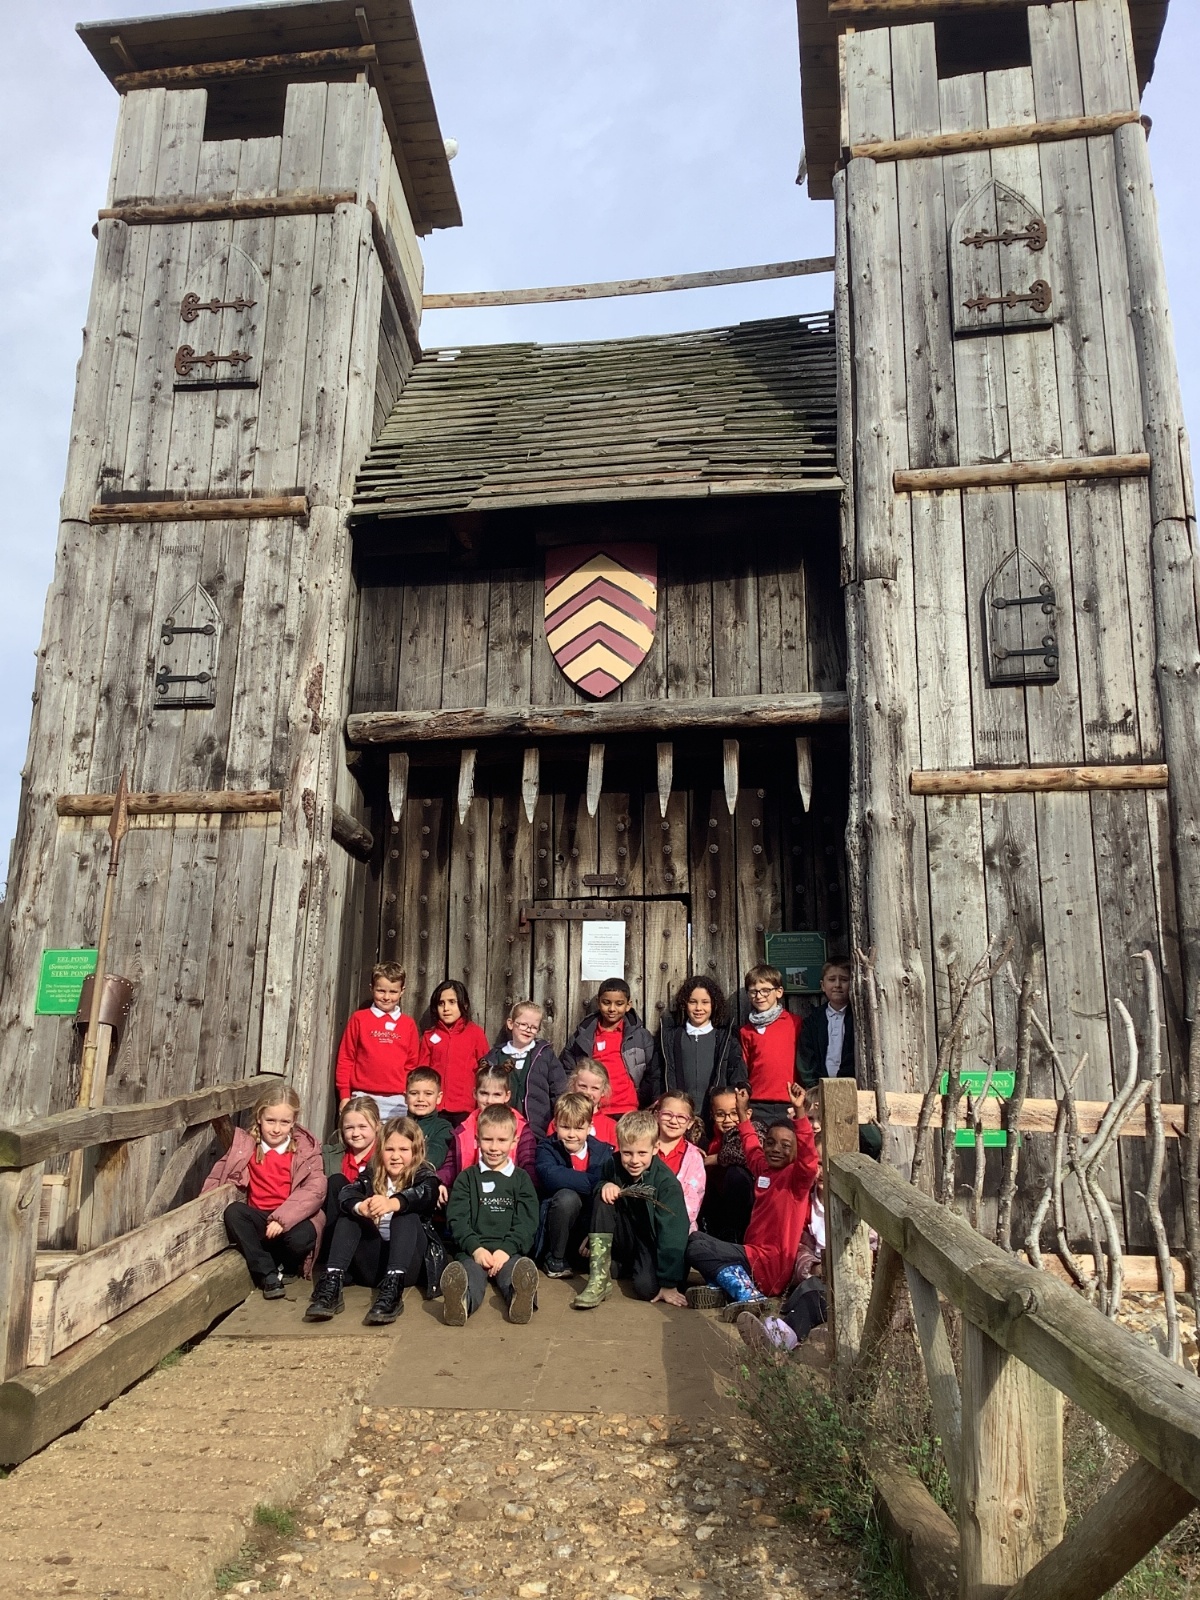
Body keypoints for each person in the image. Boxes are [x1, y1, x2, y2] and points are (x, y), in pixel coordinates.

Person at [685, 1085, 819, 1309]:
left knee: (695, 1248)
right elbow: (750, 1144)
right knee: (696, 1239)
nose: (776, 1149)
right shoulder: (764, 1169)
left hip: (770, 1266)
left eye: (786, 1146)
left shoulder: (796, 1179)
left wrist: (799, 1112)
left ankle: (748, 1294)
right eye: (770, 1143)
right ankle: (726, 1287)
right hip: (751, 1256)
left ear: (796, 1151)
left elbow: (809, 1160)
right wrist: (741, 1109)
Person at [304, 1117, 441, 1326]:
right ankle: (332, 1283)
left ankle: (392, 1293)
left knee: (405, 1214)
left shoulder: (424, 1176)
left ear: (416, 1151)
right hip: (373, 1263)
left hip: (407, 1266)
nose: (395, 1156)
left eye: (403, 1150)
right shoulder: (372, 1174)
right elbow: (347, 1193)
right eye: (389, 1149)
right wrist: (362, 1207)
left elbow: (426, 1194)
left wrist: (393, 1203)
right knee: (352, 1214)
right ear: (380, 1150)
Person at [202, 1084, 326, 1299]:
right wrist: (203, 1208)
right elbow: (218, 1177)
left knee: (303, 1236)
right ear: (259, 1117)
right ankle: (267, 1274)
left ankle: (287, 1264)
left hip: (291, 1219)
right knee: (234, 1212)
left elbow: (315, 1190)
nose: (277, 1129)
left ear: (293, 1121)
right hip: (260, 1220)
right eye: (271, 1121)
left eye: (284, 1122)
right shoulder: (245, 1147)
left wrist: (282, 1219)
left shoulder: (306, 1150)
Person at [571, 1110, 689, 1310]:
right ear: (619, 1147)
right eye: (627, 1153)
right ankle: (598, 1279)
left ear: (655, 1148)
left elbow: (672, 1234)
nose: (634, 1160)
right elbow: (599, 1187)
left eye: (642, 1153)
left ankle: (624, 1267)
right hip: (624, 1233)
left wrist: (669, 1282)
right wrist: (604, 1185)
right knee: (603, 1197)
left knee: (647, 1289)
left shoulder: (667, 1184)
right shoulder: (612, 1164)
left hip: (650, 1241)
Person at [441, 1104, 540, 1325]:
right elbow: (457, 1219)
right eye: (487, 1140)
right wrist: (475, 1248)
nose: (494, 1147)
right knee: (470, 1278)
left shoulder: (521, 1179)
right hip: (473, 1252)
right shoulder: (467, 1178)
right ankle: (460, 1304)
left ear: (514, 1142)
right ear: (477, 1140)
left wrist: (507, 1249)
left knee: (516, 1276)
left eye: (502, 1140)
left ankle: (521, 1301)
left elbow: (527, 1221)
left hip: (508, 1253)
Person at [797, 962, 882, 1158]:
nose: (837, 985)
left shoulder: (860, 1018)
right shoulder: (813, 1021)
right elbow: (806, 1059)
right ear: (822, 985)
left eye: (844, 980)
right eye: (832, 980)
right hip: (820, 1090)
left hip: (852, 1090)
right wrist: (815, 1088)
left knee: (872, 1140)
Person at [535, 1090, 614, 1278]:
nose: (571, 1134)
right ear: (555, 1125)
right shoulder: (547, 1148)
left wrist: (594, 1232)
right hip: (556, 1228)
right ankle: (555, 1259)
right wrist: (597, 1182)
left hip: (587, 1228)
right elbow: (551, 1177)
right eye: (565, 1127)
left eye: (578, 1128)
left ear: (589, 1127)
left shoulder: (603, 1151)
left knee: (606, 1197)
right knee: (568, 1197)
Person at [334, 962, 420, 1121]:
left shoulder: (408, 1024)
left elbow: (412, 1064)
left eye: (393, 992)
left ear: (402, 991)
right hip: (362, 1096)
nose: (387, 997)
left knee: (394, 1137)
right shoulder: (359, 1019)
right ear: (371, 988)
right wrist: (344, 1095)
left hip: (397, 1100)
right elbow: (346, 1058)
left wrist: (408, 1093)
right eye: (381, 991)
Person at [561, 979, 659, 1113]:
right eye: (606, 1003)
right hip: (592, 1109)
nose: (612, 1009)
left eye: (619, 1004)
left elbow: (653, 1072)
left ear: (628, 1005)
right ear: (598, 1003)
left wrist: (644, 1099)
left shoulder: (640, 1036)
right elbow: (569, 1070)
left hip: (628, 1109)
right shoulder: (583, 1036)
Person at [653, 975, 746, 1116]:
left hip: (716, 1115)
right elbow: (657, 1075)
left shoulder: (726, 1038)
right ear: (684, 1004)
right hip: (679, 1116)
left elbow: (736, 1073)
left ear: (714, 1004)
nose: (698, 1008)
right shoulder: (670, 1038)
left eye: (705, 1002)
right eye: (693, 1002)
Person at [437, 1064, 538, 1189]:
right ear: (475, 1093)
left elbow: (528, 1164)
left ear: (507, 1096)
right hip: (470, 1189)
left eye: (497, 1094)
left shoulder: (521, 1128)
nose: (489, 1100)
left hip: (509, 1190)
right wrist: (440, 1182)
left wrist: (525, 1191)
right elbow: (452, 1164)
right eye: (484, 1093)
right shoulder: (464, 1129)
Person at [478, 1000, 566, 1137]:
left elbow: (559, 1090)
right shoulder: (495, 1057)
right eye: (523, 1024)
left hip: (537, 1130)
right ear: (510, 1024)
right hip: (501, 1130)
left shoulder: (545, 1055)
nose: (528, 1030)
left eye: (533, 1027)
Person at [417, 980, 490, 1121]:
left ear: (464, 1004)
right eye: (441, 1003)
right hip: (435, 1107)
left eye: (452, 1002)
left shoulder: (475, 1034)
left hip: (465, 1108)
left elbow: (485, 1070)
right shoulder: (429, 1036)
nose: (446, 1008)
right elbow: (422, 1072)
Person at [739, 964, 802, 1122]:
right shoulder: (746, 1031)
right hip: (757, 1103)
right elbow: (744, 1067)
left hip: (789, 1101)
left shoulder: (794, 1023)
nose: (759, 996)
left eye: (765, 990)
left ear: (779, 992)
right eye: (753, 991)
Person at [699, 1086, 755, 1244]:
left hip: (747, 1208)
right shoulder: (708, 1139)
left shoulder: (756, 1130)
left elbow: (747, 1153)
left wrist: (715, 1159)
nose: (728, 1120)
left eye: (734, 1113)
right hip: (716, 1205)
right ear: (712, 1115)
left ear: (747, 1113)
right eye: (721, 1114)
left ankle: (736, 1235)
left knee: (735, 1174)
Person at [321, 1094, 382, 1236]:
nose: (355, 1133)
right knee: (336, 1181)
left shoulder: (386, 1157)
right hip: (334, 1226)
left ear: (377, 1126)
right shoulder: (329, 1156)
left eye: (362, 1127)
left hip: (370, 1226)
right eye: (349, 1128)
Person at [653, 1092, 706, 1232]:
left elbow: (692, 1203)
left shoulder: (694, 1158)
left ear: (690, 1123)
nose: (673, 1121)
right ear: (657, 1115)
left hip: (677, 1230)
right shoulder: (642, 1149)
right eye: (667, 1114)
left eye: (681, 1117)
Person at [552, 1062, 620, 1146]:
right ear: (573, 1085)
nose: (587, 1092)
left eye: (594, 1088)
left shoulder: (611, 1127)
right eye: (583, 1086)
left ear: (603, 1091)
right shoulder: (560, 1120)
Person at [402, 1066, 453, 1170]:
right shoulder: (397, 1126)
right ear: (406, 1097)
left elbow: (433, 1158)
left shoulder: (443, 1127)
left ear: (438, 1098)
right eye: (414, 1093)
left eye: (428, 1094)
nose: (421, 1099)